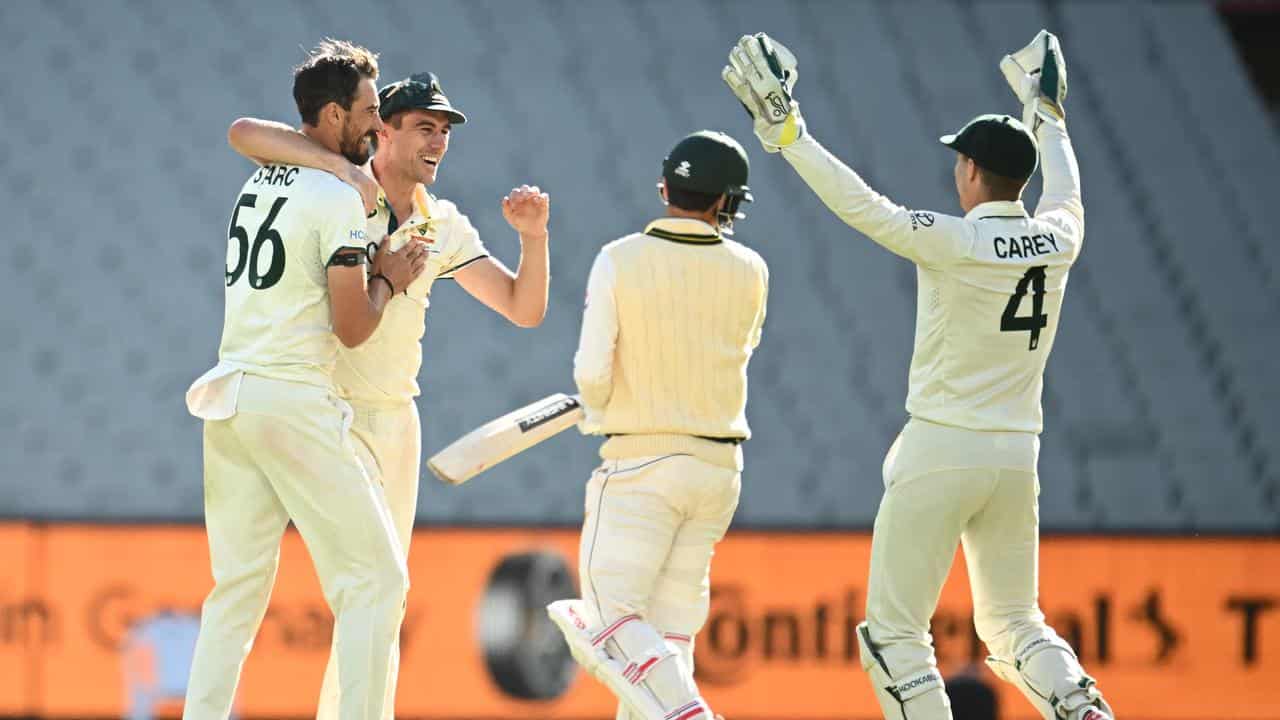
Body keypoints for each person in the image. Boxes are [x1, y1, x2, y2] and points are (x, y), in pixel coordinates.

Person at [723, 30, 1112, 720]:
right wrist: (1047, 116)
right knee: (1016, 623)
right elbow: (1068, 187)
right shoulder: (1060, 237)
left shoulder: (955, 240)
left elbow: (862, 205)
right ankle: (1086, 711)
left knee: (893, 636)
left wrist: (790, 136)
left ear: (968, 170)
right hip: (1017, 453)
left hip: (941, 446)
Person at [224, 68, 550, 717]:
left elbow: (522, 307)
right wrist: (341, 169)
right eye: (424, 127)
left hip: (394, 420)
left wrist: (533, 237)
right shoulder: (339, 190)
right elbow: (244, 134)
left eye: (445, 131)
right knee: (363, 588)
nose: (439, 141)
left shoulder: (441, 223)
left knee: (380, 596)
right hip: (323, 414)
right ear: (384, 129)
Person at [182, 39, 425, 720]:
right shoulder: (336, 196)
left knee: (236, 591)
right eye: (370, 113)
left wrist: (335, 168)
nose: (380, 127)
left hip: (231, 397)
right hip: (291, 399)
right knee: (377, 580)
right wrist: (388, 279)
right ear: (328, 115)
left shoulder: (264, 174)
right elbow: (352, 327)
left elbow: (244, 132)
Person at [547, 130, 768, 720]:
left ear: (665, 186)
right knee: (670, 635)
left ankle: (693, 717)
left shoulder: (619, 258)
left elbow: (593, 369)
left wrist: (595, 407)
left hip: (642, 465)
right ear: (728, 200)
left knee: (607, 618)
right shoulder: (751, 269)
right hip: (719, 469)